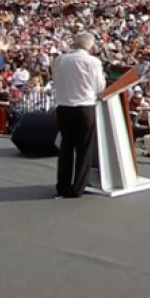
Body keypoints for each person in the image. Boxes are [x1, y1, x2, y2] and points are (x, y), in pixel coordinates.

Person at [52, 32, 106, 199]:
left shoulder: (60, 60)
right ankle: (77, 188)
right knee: (84, 149)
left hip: (64, 106)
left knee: (66, 147)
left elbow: (55, 80)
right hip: (84, 107)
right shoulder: (93, 62)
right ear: (90, 46)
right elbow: (99, 87)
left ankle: (62, 186)